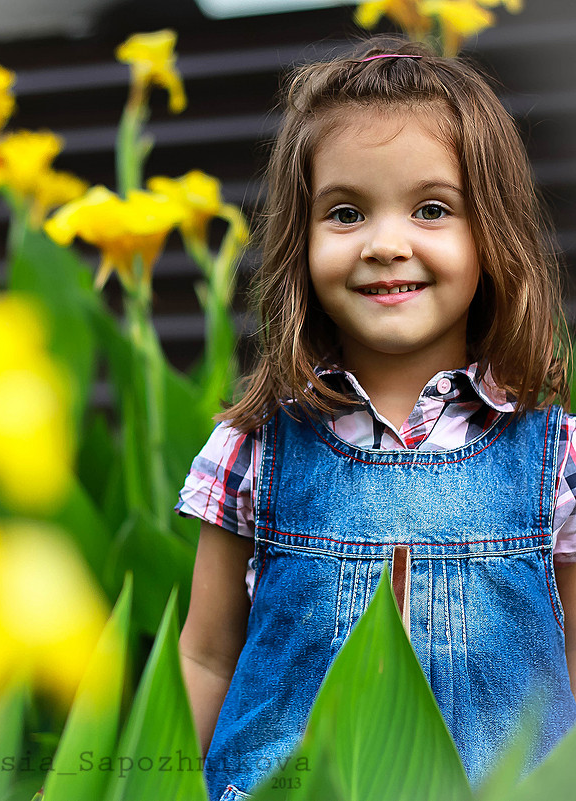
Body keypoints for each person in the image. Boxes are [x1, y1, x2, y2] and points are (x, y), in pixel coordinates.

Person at [176, 35, 576, 801]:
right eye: (346, 212)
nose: (385, 244)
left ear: (488, 233)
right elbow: (205, 657)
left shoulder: (554, 458)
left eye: (431, 209)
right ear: (301, 241)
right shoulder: (251, 447)